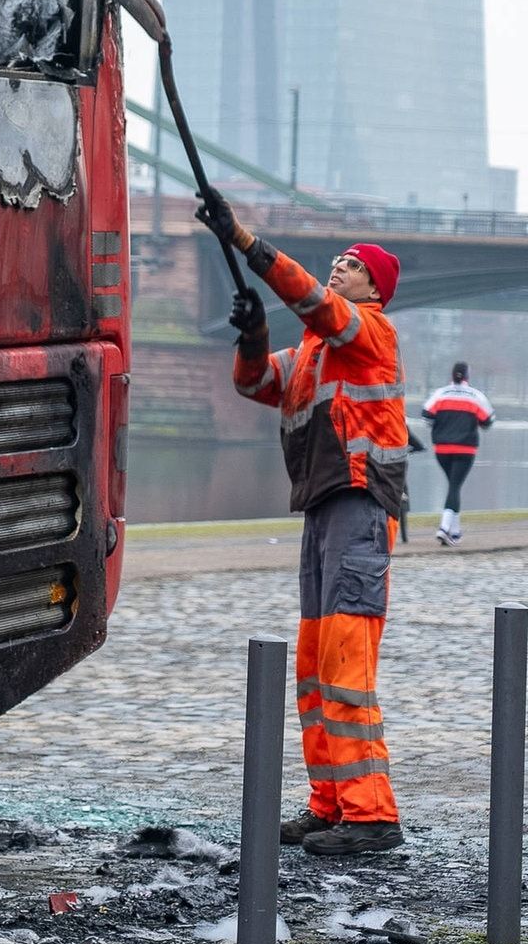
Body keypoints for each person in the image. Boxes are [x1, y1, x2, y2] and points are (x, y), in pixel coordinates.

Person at [197, 191, 406, 857]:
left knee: (347, 664)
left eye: (350, 264)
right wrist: (253, 336)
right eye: (338, 262)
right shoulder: (313, 353)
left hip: (360, 502)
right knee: (317, 670)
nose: (338, 269)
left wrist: (246, 243)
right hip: (322, 507)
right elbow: (256, 383)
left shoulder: (369, 332)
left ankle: (373, 818)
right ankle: (332, 805)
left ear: (373, 288)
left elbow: (316, 301)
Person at [421, 362, 495, 546]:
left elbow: (426, 416)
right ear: (468, 376)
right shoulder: (476, 396)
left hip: (442, 449)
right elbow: (488, 421)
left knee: (454, 486)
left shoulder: (440, 394)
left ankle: (455, 533)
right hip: (465, 449)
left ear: (452, 375)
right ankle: (444, 528)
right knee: (455, 487)